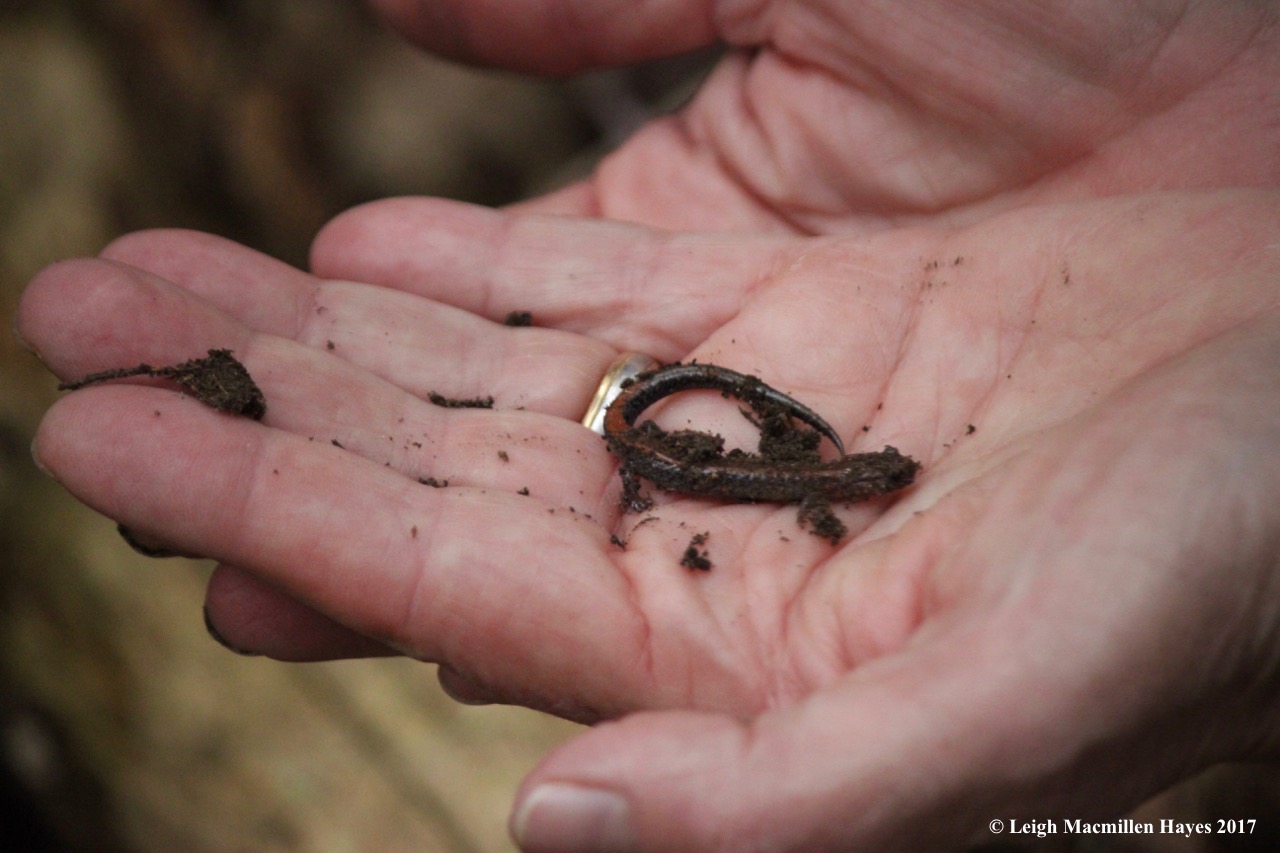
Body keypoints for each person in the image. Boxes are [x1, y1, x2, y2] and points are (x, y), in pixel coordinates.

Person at [17, 1, 1280, 849]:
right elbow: (788, 478)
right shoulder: (805, 483)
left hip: (664, 442)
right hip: (646, 449)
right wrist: (683, 472)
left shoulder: (821, 478)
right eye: (879, 476)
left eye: (882, 477)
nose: (881, 481)